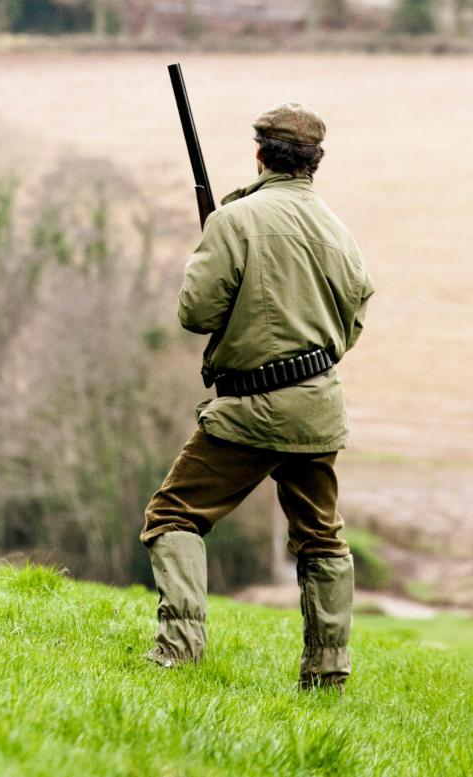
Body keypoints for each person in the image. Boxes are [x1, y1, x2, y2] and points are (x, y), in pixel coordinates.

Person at [140, 102, 374, 691]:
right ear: (315, 161)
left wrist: (213, 253)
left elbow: (197, 313)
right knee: (322, 537)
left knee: (173, 515)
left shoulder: (234, 220)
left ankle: (179, 651)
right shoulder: (337, 229)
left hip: (248, 407)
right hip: (318, 404)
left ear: (260, 154)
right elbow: (355, 313)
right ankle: (327, 674)